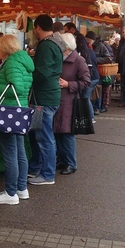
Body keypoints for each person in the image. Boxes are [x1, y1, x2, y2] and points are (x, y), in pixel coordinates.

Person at [0, 35, 34, 205]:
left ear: (5, 48)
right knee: (20, 152)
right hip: (19, 112)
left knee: (10, 153)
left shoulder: (12, 62)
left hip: (8, 112)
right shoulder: (22, 60)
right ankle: (21, 189)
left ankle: (11, 193)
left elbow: (16, 88)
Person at [27, 14, 63, 186]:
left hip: (44, 98)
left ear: (38, 27)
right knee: (40, 136)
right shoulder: (54, 44)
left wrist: (28, 76)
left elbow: (43, 73)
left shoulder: (47, 46)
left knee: (44, 138)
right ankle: (38, 168)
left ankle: (48, 174)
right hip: (48, 96)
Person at [54, 33, 90, 176]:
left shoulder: (79, 60)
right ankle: (62, 160)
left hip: (70, 101)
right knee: (58, 131)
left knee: (67, 133)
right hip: (59, 99)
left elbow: (86, 82)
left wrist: (69, 84)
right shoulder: (60, 58)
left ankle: (71, 163)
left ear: (66, 46)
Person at [88, 31, 114, 113]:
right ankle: (94, 107)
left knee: (98, 90)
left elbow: (108, 58)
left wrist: (95, 60)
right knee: (95, 90)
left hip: (99, 71)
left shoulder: (101, 46)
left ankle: (97, 107)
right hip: (92, 71)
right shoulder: (88, 46)